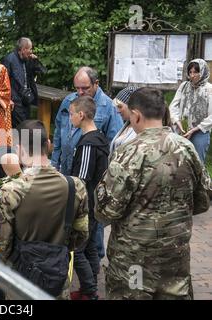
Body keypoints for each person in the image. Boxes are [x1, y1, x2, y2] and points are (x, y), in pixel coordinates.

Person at [95, 87, 211, 300]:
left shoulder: (128, 153)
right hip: (174, 260)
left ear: (136, 115)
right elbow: (203, 201)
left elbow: (106, 211)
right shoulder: (187, 148)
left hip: (134, 264)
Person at [0, 120, 89, 298]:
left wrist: (19, 262)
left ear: (18, 149)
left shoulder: (10, 191)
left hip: (21, 279)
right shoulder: (75, 186)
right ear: (48, 145)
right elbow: (81, 234)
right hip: (57, 276)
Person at [51, 66, 123, 259]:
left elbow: (113, 144)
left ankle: (94, 257)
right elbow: (58, 131)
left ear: (96, 84)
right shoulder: (69, 101)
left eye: (84, 88)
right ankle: (73, 254)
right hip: (67, 167)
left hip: (91, 177)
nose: (80, 92)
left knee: (91, 217)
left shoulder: (108, 107)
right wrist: (55, 160)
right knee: (70, 213)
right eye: (77, 88)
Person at [68, 96, 109, 300]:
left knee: (78, 251)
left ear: (81, 115)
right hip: (95, 203)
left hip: (88, 205)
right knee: (91, 246)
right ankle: (88, 288)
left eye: (71, 113)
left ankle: (90, 291)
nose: (70, 118)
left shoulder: (88, 144)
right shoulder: (99, 137)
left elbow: (81, 180)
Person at [169, 58, 212, 163]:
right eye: (190, 72)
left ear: (203, 72)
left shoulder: (209, 89)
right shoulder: (184, 86)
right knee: (179, 162)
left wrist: (196, 129)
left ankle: (199, 180)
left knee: (197, 163)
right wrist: (176, 120)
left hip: (200, 132)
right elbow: (173, 105)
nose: (192, 75)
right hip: (182, 130)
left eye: (196, 72)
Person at [2, 37, 47, 127]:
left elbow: (43, 72)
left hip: (26, 99)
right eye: (30, 49)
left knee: (25, 125)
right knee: (22, 127)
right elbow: (2, 81)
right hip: (15, 100)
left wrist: (35, 61)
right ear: (23, 49)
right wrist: (8, 99)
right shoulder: (9, 59)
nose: (31, 51)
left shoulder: (28, 59)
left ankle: (22, 140)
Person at [109, 86, 138, 155]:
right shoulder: (127, 124)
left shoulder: (138, 128)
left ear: (132, 106)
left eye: (120, 107)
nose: (118, 111)